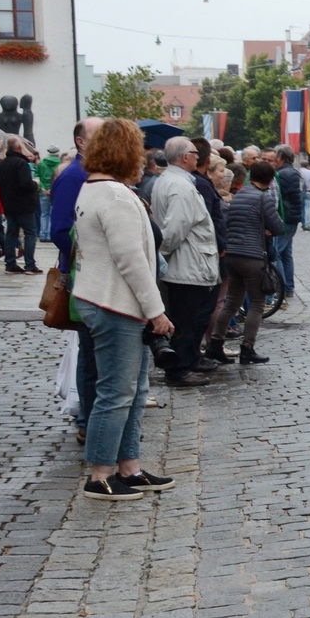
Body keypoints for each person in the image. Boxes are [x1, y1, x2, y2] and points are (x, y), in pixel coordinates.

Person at [69, 118, 176, 501]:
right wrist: (156, 311)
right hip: (116, 303)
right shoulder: (114, 196)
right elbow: (132, 260)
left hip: (107, 299)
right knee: (116, 392)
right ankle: (101, 473)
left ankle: (128, 467)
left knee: (132, 389)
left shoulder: (95, 188)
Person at [151, 137, 221, 385]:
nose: (198, 156)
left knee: (191, 318)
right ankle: (179, 368)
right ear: (183, 157)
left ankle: (189, 360)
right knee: (186, 320)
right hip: (187, 265)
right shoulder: (180, 186)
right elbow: (174, 229)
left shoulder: (174, 181)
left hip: (189, 262)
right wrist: (163, 254)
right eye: (194, 152)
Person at [52, 117, 104, 442]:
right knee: (89, 350)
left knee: (96, 350)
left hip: (96, 273)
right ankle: (87, 420)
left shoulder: (94, 172)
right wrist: (87, 256)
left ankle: (93, 416)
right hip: (84, 274)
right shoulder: (74, 175)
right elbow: (59, 229)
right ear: (81, 142)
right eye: (100, 135)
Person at [206, 160, 283, 365]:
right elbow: (277, 226)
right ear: (269, 179)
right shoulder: (262, 198)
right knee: (257, 303)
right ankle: (247, 348)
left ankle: (215, 344)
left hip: (232, 255)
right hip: (252, 255)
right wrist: (266, 228)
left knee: (231, 301)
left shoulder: (240, 195)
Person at [0, 136, 42, 274]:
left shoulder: (2, 164)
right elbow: (25, 184)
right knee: (30, 233)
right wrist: (35, 184)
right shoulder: (21, 163)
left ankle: (10, 264)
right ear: (19, 148)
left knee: (11, 233)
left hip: (9, 204)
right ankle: (30, 265)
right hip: (24, 204)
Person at [272, 145, 304, 296]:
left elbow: (280, 197)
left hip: (285, 217)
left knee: (277, 253)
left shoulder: (282, 174)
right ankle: (289, 287)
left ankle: (282, 288)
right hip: (292, 217)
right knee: (286, 254)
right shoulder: (293, 172)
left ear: (281, 157)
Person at [36, 144, 62, 242]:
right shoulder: (61, 164)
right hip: (55, 191)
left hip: (43, 191)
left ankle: (43, 235)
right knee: (53, 214)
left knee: (44, 214)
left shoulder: (41, 163)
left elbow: (37, 176)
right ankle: (50, 235)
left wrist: (43, 188)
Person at [298, 162, 310, 229]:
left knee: (301, 209)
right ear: (307, 166)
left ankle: (303, 223)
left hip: (300, 192)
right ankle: (307, 224)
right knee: (308, 208)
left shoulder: (298, 172)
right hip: (309, 191)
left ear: (300, 165)